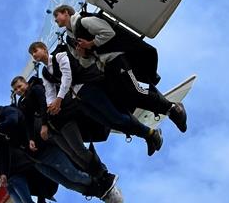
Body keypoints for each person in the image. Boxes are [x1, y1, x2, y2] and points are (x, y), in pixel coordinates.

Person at [51, 4, 187, 133]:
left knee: (135, 91)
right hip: (105, 68)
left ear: (66, 13)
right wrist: (83, 55)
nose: (55, 20)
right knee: (129, 98)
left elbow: (108, 33)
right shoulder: (70, 40)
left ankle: (173, 108)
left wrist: (90, 43)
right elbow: (85, 63)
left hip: (117, 59)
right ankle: (170, 110)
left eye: (56, 15)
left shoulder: (85, 21)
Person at [0, 101, 123, 203]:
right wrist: (3, 173)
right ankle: (102, 194)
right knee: (68, 183)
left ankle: (107, 185)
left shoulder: (7, 111)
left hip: (44, 148)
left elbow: (14, 120)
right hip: (36, 160)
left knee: (73, 174)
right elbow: (4, 151)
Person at [11, 74, 124, 203]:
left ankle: (107, 179)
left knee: (80, 153)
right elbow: (28, 120)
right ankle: (104, 193)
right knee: (75, 158)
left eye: (19, 86)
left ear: (25, 83)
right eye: (16, 89)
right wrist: (31, 139)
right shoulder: (24, 103)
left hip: (62, 121)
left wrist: (44, 125)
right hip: (53, 131)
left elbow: (43, 104)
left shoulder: (37, 88)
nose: (18, 90)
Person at [28, 39, 164, 156]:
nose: (34, 55)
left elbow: (67, 77)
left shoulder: (60, 56)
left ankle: (150, 133)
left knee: (116, 116)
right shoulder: (45, 72)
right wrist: (52, 106)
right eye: (32, 54)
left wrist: (59, 100)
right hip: (79, 100)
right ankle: (147, 136)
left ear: (45, 49)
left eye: (36, 50)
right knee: (108, 122)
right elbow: (49, 92)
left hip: (88, 88)